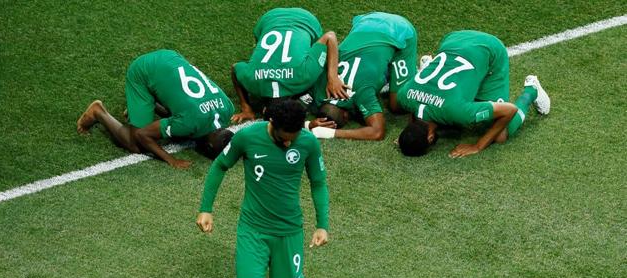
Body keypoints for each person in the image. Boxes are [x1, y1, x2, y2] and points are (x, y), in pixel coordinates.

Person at [196, 99, 329, 278]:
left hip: (289, 232)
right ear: (271, 124)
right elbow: (220, 166)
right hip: (253, 230)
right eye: (283, 138)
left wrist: (322, 225)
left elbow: (318, 182)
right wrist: (206, 208)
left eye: (294, 137)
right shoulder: (247, 137)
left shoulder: (308, 142)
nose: (289, 143)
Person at [396, 30, 551, 157]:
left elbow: (509, 110)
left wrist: (477, 146)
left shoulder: (457, 111)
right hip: (453, 38)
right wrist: (409, 137)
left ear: (430, 138)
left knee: (500, 135)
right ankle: (429, 65)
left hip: (490, 50)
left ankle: (532, 90)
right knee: (450, 115)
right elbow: (414, 111)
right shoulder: (404, 97)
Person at [77, 49, 234, 168]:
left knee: (182, 130)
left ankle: (140, 108)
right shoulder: (189, 122)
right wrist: (171, 160)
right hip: (143, 70)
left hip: (171, 58)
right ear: (210, 146)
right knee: (135, 144)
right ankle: (98, 112)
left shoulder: (228, 108)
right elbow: (142, 135)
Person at [307, 12, 418, 141]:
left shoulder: (361, 93)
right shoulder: (318, 87)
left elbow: (377, 132)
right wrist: (309, 125)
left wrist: (331, 133)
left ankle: (423, 71)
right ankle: (388, 77)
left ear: (346, 116)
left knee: (397, 105)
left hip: (401, 31)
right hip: (366, 21)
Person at [231, 7, 348, 123]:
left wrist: (333, 78)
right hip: (269, 19)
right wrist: (246, 107)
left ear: (264, 110)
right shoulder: (251, 81)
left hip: (304, 20)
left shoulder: (304, 76)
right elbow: (235, 68)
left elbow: (330, 37)